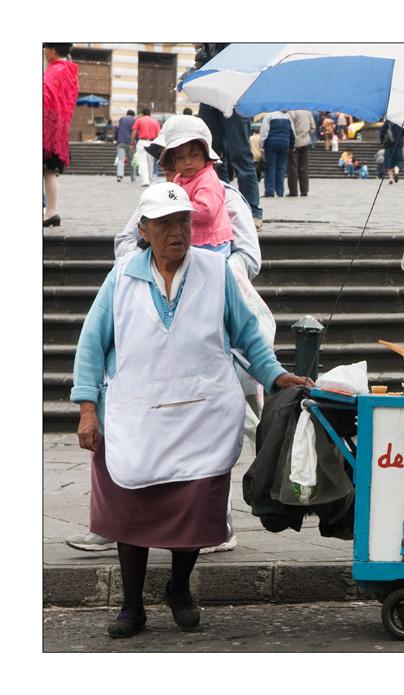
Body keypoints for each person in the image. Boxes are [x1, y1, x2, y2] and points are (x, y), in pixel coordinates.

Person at [71, 183, 312, 638]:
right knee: (130, 507)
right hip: (133, 413)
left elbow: (247, 333)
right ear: (143, 230)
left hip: (202, 412)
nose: (177, 231)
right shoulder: (121, 275)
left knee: (196, 505)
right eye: (164, 223)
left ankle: (179, 586)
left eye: (183, 221)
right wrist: (87, 410)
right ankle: (131, 604)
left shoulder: (215, 269)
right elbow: (91, 343)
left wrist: (275, 375)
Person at [194, 44, 264, 233]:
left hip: (235, 91)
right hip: (209, 90)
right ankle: (222, 206)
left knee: (240, 153)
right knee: (212, 156)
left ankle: (253, 212)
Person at [160, 116, 233, 255]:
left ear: (205, 155)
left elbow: (206, 210)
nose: (188, 162)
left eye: (194, 155)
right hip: (192, 239)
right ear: (173, 162)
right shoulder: (179, 178)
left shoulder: (207, 179)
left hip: (211, 243)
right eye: (181, 158)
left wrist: (177, 209)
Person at [43, 43, 78, 227]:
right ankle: (50, 211)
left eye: (46, 49)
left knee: (48, 172)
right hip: (58, 132)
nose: (45, 53)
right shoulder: (69, 71)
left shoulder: (55, 70)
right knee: (49, 172)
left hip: (47, 130)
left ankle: (50, 212)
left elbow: (44, 96)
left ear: (54, 50)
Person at [259, 111, 294, 197]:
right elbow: (292, 132)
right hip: (285, 143)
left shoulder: (269, 115)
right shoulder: (287, 116)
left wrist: (261, 144)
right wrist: (292, 145)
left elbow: (264, 131)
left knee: (270, 166)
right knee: (281, 167)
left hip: (271, 144)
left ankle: (270, 191)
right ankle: (280, 191)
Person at [286, 109, 315, 197]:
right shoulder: (308, 112)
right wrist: (307, 136)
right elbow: (313, 127)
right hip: (305, 141)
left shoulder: (291, 112)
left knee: (292, 168)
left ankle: (293, 190)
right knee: (304, 167)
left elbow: (290, 128)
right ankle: (304, 190)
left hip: (294, 143)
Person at [130, 108, 161, 187]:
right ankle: (150, 179)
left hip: (142, 141)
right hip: (152, 142)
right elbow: (158, 133)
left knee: (142, 162)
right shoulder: (155, 121)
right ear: (150, 114)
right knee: (150, 162)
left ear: (142, 114)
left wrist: (132, 143)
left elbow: (134, 133)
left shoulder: (139, 120)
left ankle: (145, 181)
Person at [380, 119, 404, 184]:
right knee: (398, 160)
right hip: (398, 144)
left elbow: (382, 132)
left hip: (389, 144)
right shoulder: (400, 121)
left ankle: (391, 179)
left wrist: (382, 140)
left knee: (389, 161)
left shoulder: (388, 122)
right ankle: (396, 172)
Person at [115, 110, 136, 183]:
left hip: (121, 141)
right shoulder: (134, 120)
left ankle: (119, 176)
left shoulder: (121, 119)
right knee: (132, 160)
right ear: (133, 115)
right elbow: (136, 132)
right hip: (131, 143)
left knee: (121, 159)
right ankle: (133, 177)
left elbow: (116, 129)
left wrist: (116, 139)